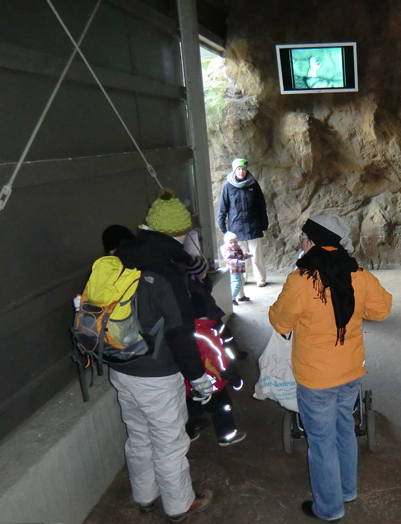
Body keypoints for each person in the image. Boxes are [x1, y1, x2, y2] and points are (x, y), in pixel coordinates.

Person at [269, 215, 392, 522]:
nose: (300, 241)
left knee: (321, 443)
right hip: (350, 371)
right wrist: (354, 308)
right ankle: (347, 490)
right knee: (345, 430)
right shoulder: (358, 274)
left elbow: (280, 321)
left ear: (313, 241)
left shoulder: (301, 280)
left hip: (315, 378)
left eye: (303, 237)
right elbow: (382, 308)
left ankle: (329, 508)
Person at [111, 189, 214, 522]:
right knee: (169, 442)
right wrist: (199, 378)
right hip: (157, 375)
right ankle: (180, 504)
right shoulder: (168, 274)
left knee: (138, 435)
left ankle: (145, 496)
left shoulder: (117, 260)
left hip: (122, 367)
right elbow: (180, 335)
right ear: (179, 233)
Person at [217, 158, 269, 287]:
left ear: (246, 170)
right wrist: (223, 227)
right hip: (236, 228)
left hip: (253, 225)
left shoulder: (253, 184)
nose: (241, 172)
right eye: (238, 169)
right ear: (234, 170)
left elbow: (261, 205)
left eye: (243, 169)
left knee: (256, 255)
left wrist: (264, 223)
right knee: (239, 255)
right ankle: (242, 278)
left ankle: (260, 278)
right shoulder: (228, 186)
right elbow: (222, 208)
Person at [220, 231, 253, 304]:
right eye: (231, 242)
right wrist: (237, 262)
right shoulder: (228, 251)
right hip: (233, 270)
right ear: (227, 243)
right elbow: (228, 260)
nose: (233, 244)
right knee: (236, 283)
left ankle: (241, 296)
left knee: (241, 282)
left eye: (235, 242)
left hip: (239, 269)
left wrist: (247, 255)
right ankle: (231, 297)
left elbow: (241, 255)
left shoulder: (238, 249)